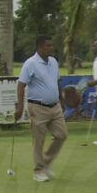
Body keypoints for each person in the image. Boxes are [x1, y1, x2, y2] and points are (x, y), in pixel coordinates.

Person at [14, 35, 68, 182]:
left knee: (62, 134)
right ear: (39, 47)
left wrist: (61, 100)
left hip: (54, 106)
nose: (51, 48)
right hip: (37, 107)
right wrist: (20, 107)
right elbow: (21, 85)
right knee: (39, 140)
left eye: (51, 45)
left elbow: (57, 82)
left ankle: (46, 162)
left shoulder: (54, 62)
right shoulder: (30, 63)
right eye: (48, 46)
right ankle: (38, 171)